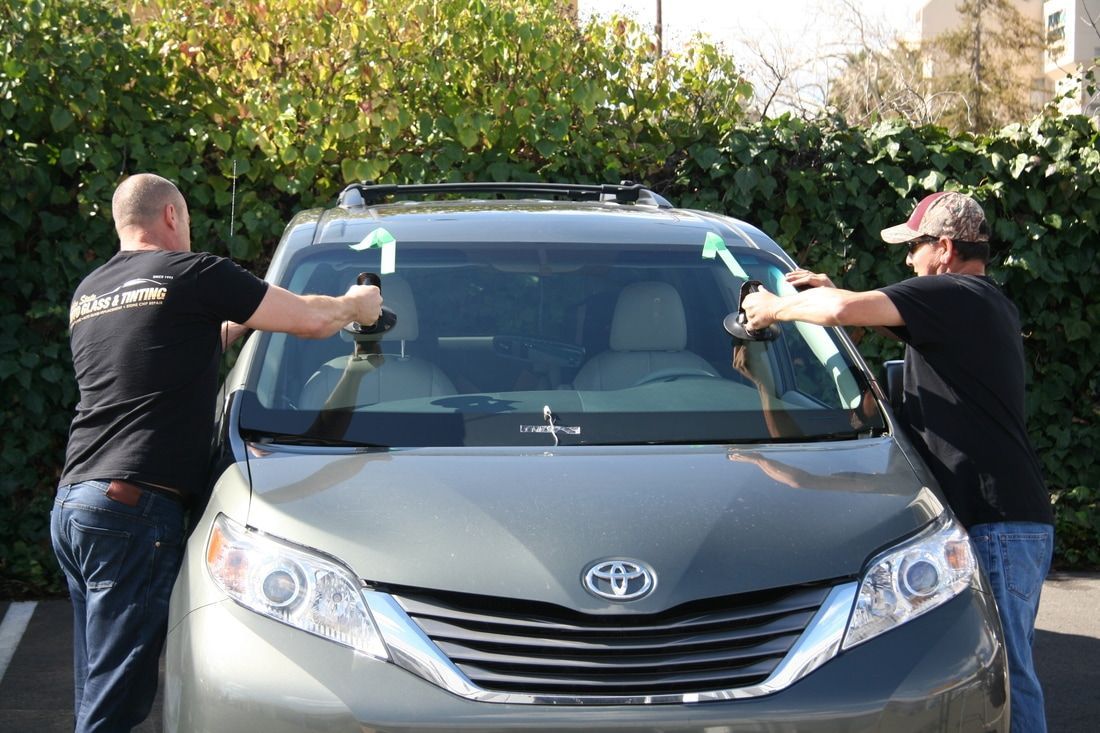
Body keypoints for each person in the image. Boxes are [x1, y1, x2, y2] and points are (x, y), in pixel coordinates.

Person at [50, 173, 382, 732]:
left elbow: (168, 346)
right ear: (173, 216)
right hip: (132, 507)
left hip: (77, 506)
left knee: (97, 686)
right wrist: (356, 305)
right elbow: (309, 319)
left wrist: (246, 322)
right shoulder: (194, 272)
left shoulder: (92, 293)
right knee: (115, 704)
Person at [741, 190, 1054, 732]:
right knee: (1001, 670)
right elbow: (871, 312)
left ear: (946, 249)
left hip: (998, 523)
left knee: (1007, 673)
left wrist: (773, 309)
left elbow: (842, 312)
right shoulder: (978, 304)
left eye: (916, 248)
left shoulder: (952, 293)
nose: (908, 260)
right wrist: (832, 291)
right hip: (1005, 520)